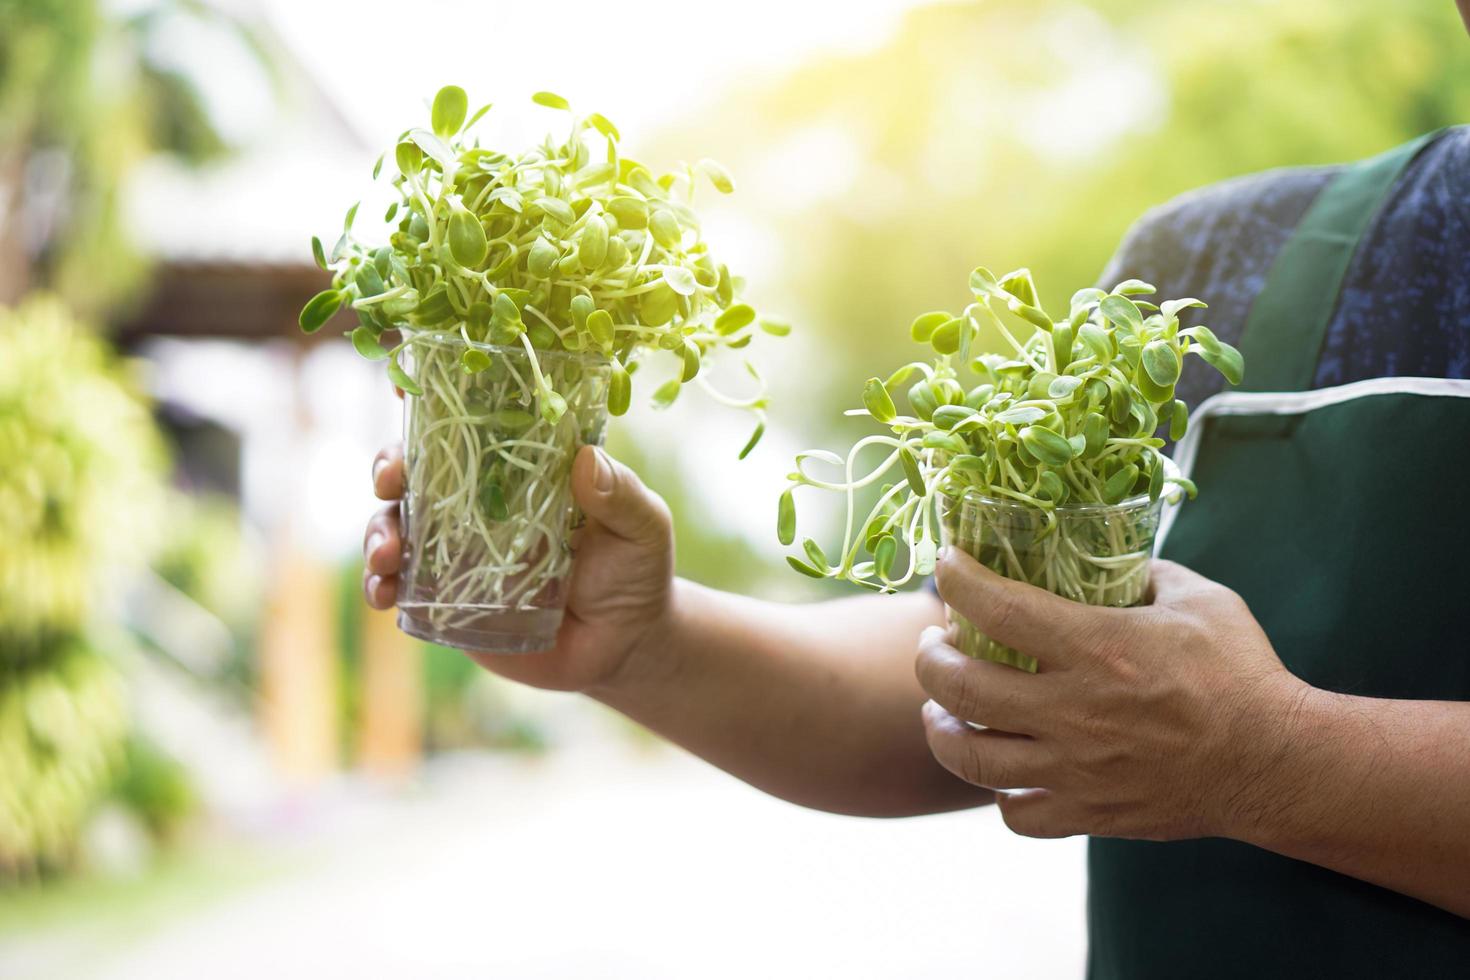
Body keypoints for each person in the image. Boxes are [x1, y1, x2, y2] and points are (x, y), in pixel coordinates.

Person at [361, 6, 1470, 974]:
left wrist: (1269, 760)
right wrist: (647, 641)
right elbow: (1002, 679)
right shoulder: (1215, 263)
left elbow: (1194, 727)